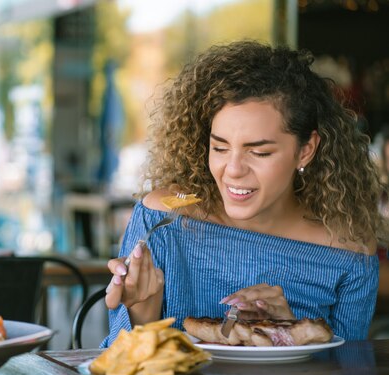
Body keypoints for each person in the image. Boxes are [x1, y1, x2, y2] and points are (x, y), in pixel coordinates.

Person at [103, 41, 387, 345]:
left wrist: (288, 333)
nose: (233, 169)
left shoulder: (349, 250)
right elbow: (118, 361)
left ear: (306, 150)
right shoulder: (163, 219)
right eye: (220, 147)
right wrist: (142, 315)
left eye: (260, 152)